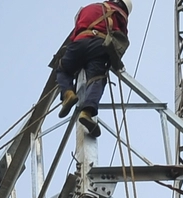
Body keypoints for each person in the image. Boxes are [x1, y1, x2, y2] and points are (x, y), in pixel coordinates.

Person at [53, 0, 132, 137]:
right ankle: (87, 112)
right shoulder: (120, 15)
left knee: (63, 69)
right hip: (99, 45)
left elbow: (76, 30)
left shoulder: (89, 8)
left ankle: (68, 94)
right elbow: (121, 39)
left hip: (79, 42)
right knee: (97, 79)